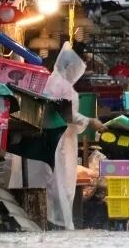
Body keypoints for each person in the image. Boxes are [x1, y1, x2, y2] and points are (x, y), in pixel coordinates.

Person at [8, 43, 105, 230]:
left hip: (55, 139)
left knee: (53, 181)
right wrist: (91, 122)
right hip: (58, 140)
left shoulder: (52, 80)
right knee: (58, 182)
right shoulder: (60, 85)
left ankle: (47, 220)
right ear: (71, 66)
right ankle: (55, 222)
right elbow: (67, 115)